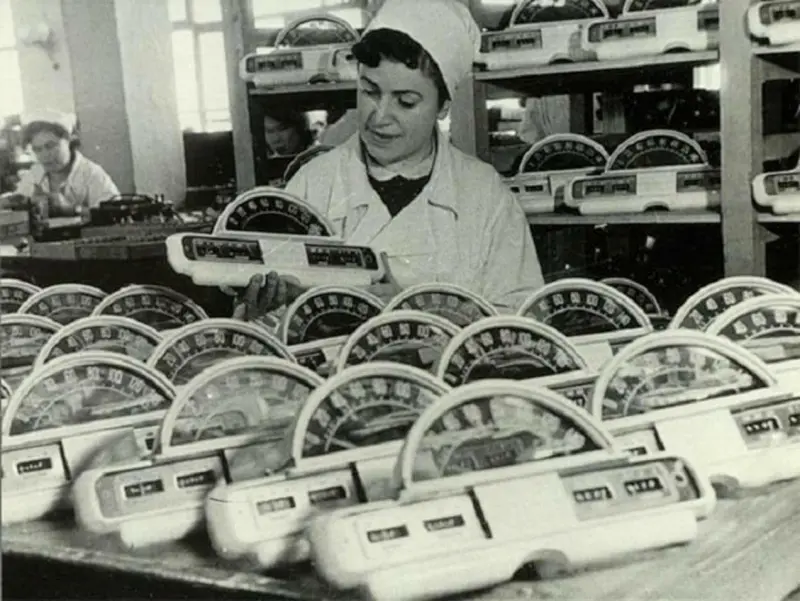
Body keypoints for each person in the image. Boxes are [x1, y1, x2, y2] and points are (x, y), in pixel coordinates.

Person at [234, 0, 544, 321]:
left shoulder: (484, 196)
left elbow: (521, 323)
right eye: (369, 91)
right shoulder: (313, 185)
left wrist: (418, 310)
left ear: (442, 108)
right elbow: (266, 329)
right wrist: (256, 312)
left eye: (405, 102)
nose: (380, 117)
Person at [2, 110, 119, 217]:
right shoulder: (36, 173)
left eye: (50, 146)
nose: (45, 155)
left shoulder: (91, 174)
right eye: (37, 149)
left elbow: (116, 214)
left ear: (69, 141)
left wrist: (72, 209)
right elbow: (18, 200)